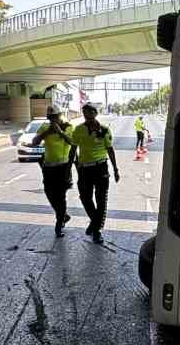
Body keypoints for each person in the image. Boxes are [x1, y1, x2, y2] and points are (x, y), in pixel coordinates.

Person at [70, 101, 119, 243]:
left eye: (90, 113)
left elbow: (110, 149)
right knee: (85, 197)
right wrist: (69, 169)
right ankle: (94, 222)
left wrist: (115, 169)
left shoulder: (104, 130)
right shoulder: (78, 129)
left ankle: (97, 230)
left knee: (101, 199)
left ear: (96, 114)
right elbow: (73, 150)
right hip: (84, 169)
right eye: (85, 114)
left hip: (101, 168)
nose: (88, 116)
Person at [32, 105, 76, 236]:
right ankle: (63, 215)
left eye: (54, 117)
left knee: (60, 195)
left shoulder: (68, 126)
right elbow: (34, 142)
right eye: (50, 118)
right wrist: (47, 133)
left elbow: (72, 142)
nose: (52, 120)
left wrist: (60, 133)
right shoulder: (45, 127)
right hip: (48, 166)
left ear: (59, 116)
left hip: (63, 166)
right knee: (49, 192)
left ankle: (59, 224)